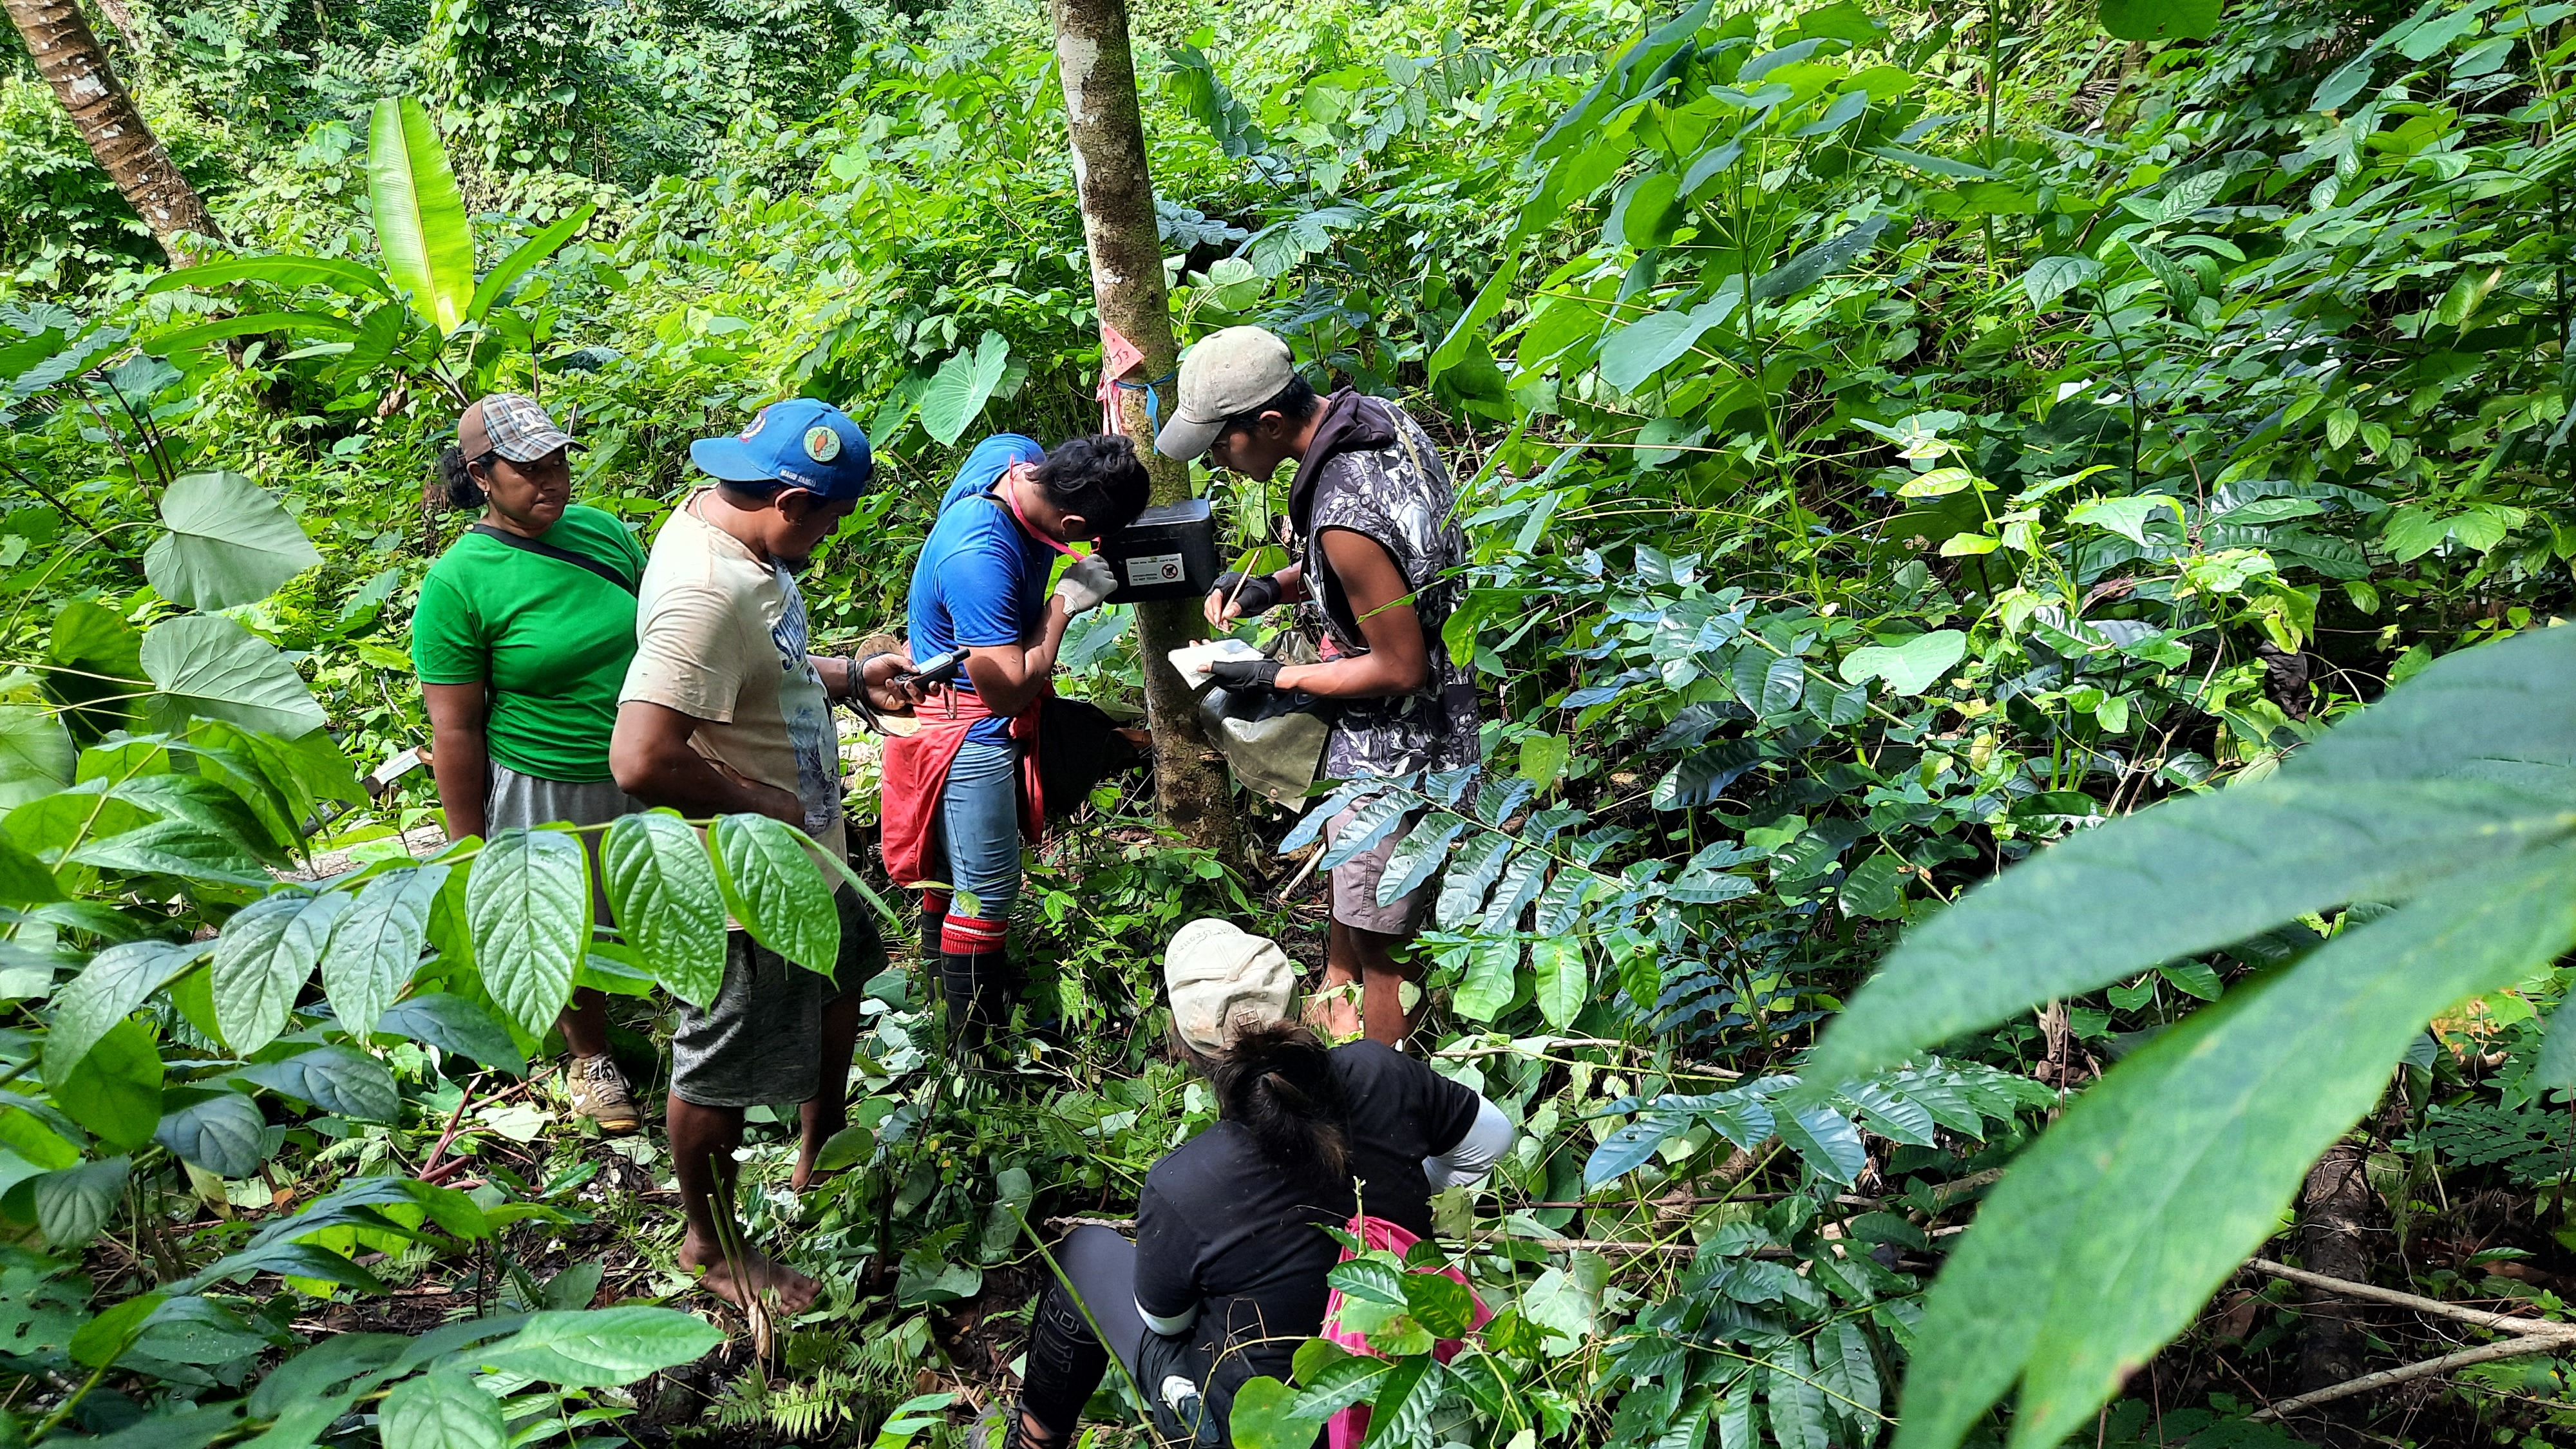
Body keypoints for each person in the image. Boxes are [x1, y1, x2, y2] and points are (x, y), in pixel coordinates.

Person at [608, 397, 918, 1312]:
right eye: (831, 516)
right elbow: (639, 755)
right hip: (748, 880)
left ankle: (816, 1161)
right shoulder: (705, 589)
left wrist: (847, 674)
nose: (832, 533)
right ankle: (711, 1245)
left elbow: (758, 663)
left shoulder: (744, 543)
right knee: (724, 1060)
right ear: (788, 501)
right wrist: (761, 800)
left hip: (814, 856)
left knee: (838, 989)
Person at [1001, 918, 1512, 1449]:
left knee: (1083, 1253)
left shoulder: (1184, 1182)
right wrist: (1405, 1186)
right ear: (1297, 1011)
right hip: (1399, 1370)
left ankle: (1033, 1442)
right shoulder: (1381, 1071)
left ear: (1185, 1047)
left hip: (1264, 1422)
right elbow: (1493, 1140)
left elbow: (1165, 1321)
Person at [1157, 327, 1480, 1046]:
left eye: (1219, 444)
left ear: (1268, 425)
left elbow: (1399, 665)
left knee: (1384, 946)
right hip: (1430, 704)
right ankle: (1334, 989)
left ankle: (1383, 1087)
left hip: (1398, 737)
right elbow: (1388, 559)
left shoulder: (1340, 514)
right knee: (1354, 883)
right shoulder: (1377, 421)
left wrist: (1271, 674)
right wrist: (1272, 588)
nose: (1215, 459)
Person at [413, 393, 647, 1137]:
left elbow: (670, 631)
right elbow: (454, 729)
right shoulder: (459, 583)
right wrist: (468, 846)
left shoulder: (605, 536)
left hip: (647, 758)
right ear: (481, 477)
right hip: (546, 779)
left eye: (558, 464)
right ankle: (591, 1056)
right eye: (528, 471)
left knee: (665, 896)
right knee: (566, 923)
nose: (551, 481)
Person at [881, 432, 1147, 1056]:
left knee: (953, 875)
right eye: (1080, 537)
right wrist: (1061, 605)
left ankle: (948, 1006)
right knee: (985, 890)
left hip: (962, 701)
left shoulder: (1013, 455)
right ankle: (976, 1052)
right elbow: (1006, 692)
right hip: (967, 723)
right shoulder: (980, 556)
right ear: (1072, 521)